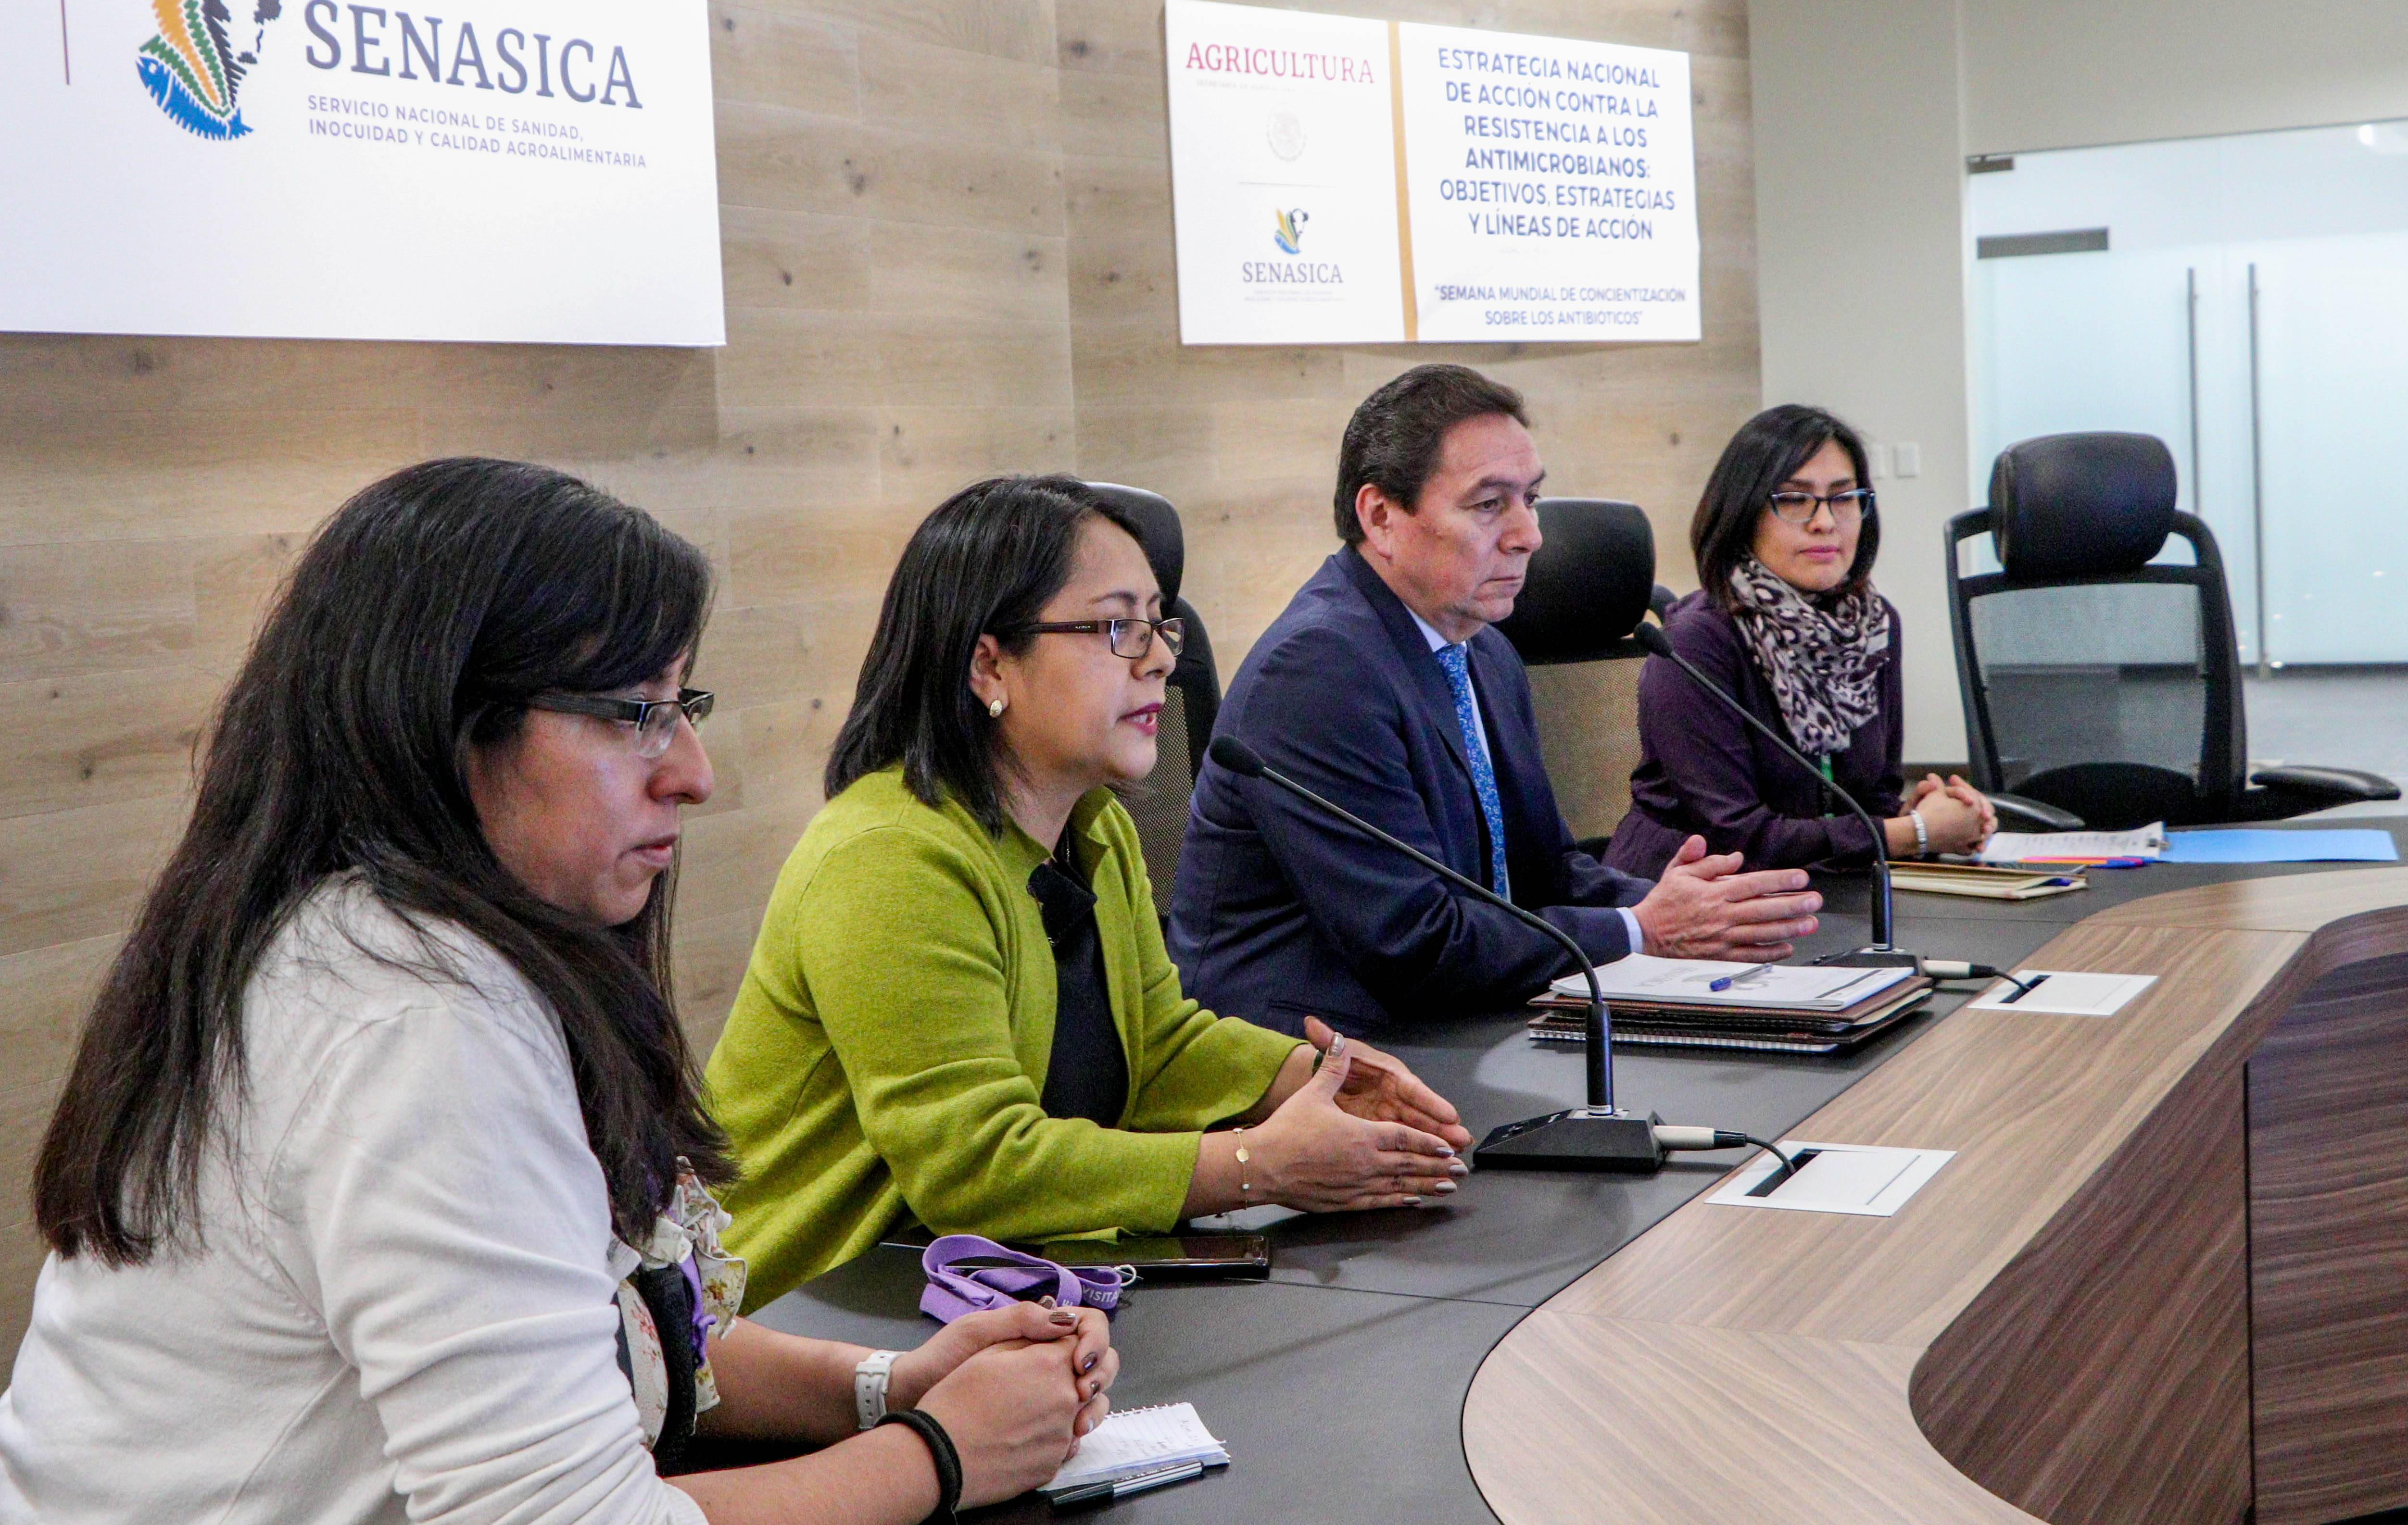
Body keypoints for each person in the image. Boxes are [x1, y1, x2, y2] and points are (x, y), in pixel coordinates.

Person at [0, 458, 1117, 1525]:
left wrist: (889, 1385)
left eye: (683, 704)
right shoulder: (415, 1020)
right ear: (447, 724)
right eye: (634, 712)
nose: (693, 771)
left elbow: (589, 1327)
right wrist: (941, 1452)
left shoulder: (379, 949)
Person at [705, 475, 1475, 1310]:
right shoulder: (887, 858)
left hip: (996, 1287)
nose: (1161, 658)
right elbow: (974, 1166)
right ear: (988, 662)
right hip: (817, 1315)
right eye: (1117, 627)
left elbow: (1155, 1046)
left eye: (1158, 623)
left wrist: (1311, 1078)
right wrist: (1257, 1165)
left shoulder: (1094, 826)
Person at [1170, 365, 1828, 1038]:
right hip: (1317, 1047)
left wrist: (1686, 906)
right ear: (1381, 517)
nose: (1529, 534)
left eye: (1530, 498)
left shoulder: (1482, 650)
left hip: (1460, 1013)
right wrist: (1642, 929)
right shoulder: (1317, 671)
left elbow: (1539, 871)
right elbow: (1412, 942)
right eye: (1489, 504)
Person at [1605, 405, 1997, 877]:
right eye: (1795, 500)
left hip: (1824, 884)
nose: (1825, 521)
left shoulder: (1873, 627)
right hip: (1691, 892)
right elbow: (1736, 837)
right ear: (1743, 513)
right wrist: (1910, 832)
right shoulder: (1695, 644)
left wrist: (1924, 813)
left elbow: (1872, 795)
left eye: (1843, 498)